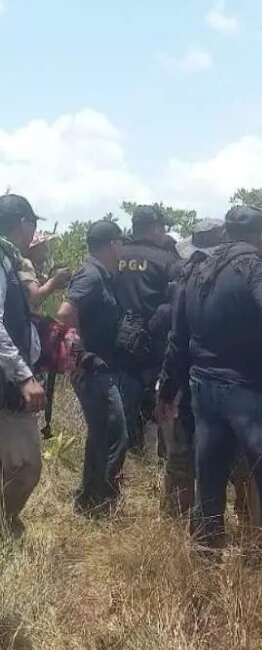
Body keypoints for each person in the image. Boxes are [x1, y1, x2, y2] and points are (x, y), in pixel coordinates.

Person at [159, 206, 262, 551]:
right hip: (247, 389)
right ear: (261, 235)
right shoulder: (254, 264)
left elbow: (178, 338)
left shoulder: (196, 269)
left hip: (203, 389)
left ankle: (206, 551)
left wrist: (167, 389)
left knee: (209, 475)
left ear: (226, 234)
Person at [58, 220, 135, 516]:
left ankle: (90, 499)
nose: (124, 248)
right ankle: (103, 502)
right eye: (121, 243)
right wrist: (81, 354)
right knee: (116, 435)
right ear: (113, 244)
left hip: (99, 370)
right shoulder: (91, 275)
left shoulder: (101, 275)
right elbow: (65, 313)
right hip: (93, 372)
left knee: (102, 433)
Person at [158, 218, 224, 522]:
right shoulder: (243, 279)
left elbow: (177, 343)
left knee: (182, 457)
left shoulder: (184, 285)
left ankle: (178, 521)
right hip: (233, 385)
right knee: (238, 463)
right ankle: (252, 531)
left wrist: (166, 389)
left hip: (192, 383)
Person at [114, 205, 181, 457]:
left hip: (116, 345)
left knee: (124, 410)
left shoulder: (114, 255)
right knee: (158, 406)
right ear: (154, 228)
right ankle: (159, 459)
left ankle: (131, 457)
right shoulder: (166, 260)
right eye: (163, 227)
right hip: (154, 347)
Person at [0, 195, 46, 537]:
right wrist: (24, 376)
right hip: (9, 382)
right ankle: (6, 522)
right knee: (27, 464)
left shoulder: (11, 261)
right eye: (32, 224)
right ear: (23, 223)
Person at [20, 231, 70, 309]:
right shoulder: (24, 265)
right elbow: (34, 298)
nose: (46, 249)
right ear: (33, 249)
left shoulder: (35, 269)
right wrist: (54, 281)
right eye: (42, 245)